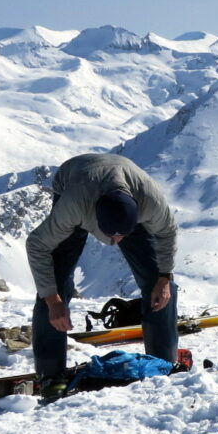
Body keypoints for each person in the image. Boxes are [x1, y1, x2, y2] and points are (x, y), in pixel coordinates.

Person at [26, 152, 180, 388]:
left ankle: (161, 364)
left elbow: (167, 232)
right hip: (75, 179)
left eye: (122, 235)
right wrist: (52, 299)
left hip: (125, 187)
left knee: (159, 285)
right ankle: (50, 374)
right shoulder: (73, 207)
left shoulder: (150, 203)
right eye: (110, 235)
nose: (116, 241)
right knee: (55, 284)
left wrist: (164, 277)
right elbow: (37, 245)